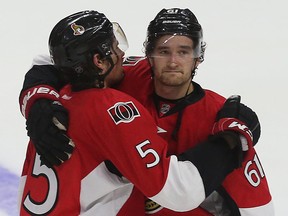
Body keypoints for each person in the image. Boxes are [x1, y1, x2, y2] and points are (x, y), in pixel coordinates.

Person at [18, 8, 273, 215]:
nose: (173, 62)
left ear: (198, 57)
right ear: (149, 55)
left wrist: (36, 96)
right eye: (163, 51)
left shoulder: (62, 95)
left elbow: (59, 58)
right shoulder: (116, 102)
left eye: (183, 51)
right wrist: (231, 141)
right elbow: (180, 191)